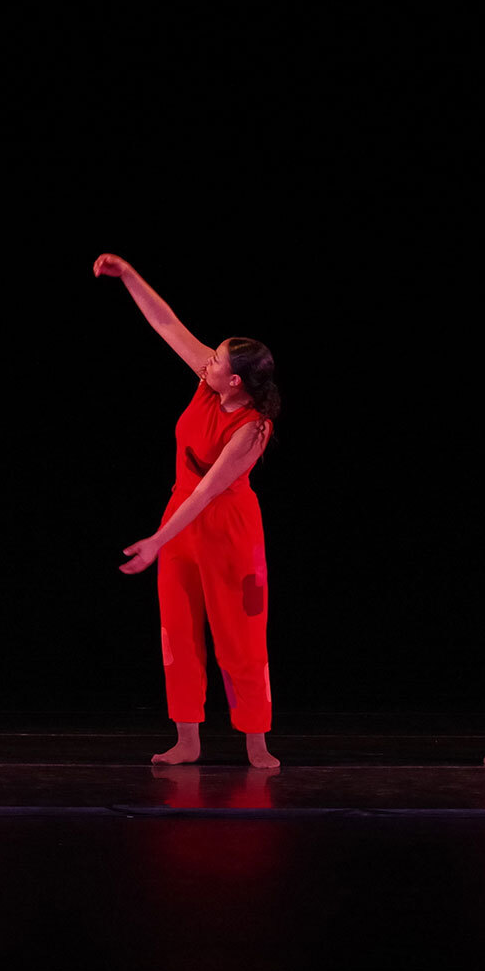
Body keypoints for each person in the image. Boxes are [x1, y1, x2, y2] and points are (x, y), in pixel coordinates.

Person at [92, 253, 281, 771]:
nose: (208, 362)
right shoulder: (207, 384)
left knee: (240, 636)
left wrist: (155, 540)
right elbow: (166, 322)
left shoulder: (253, 429)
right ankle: (188, 739)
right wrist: (129, 274)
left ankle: (256, 740)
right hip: (180, 521)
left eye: (217, 361)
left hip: (228, 529)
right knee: (177, 631)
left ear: (236, 381)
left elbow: (206, 495)